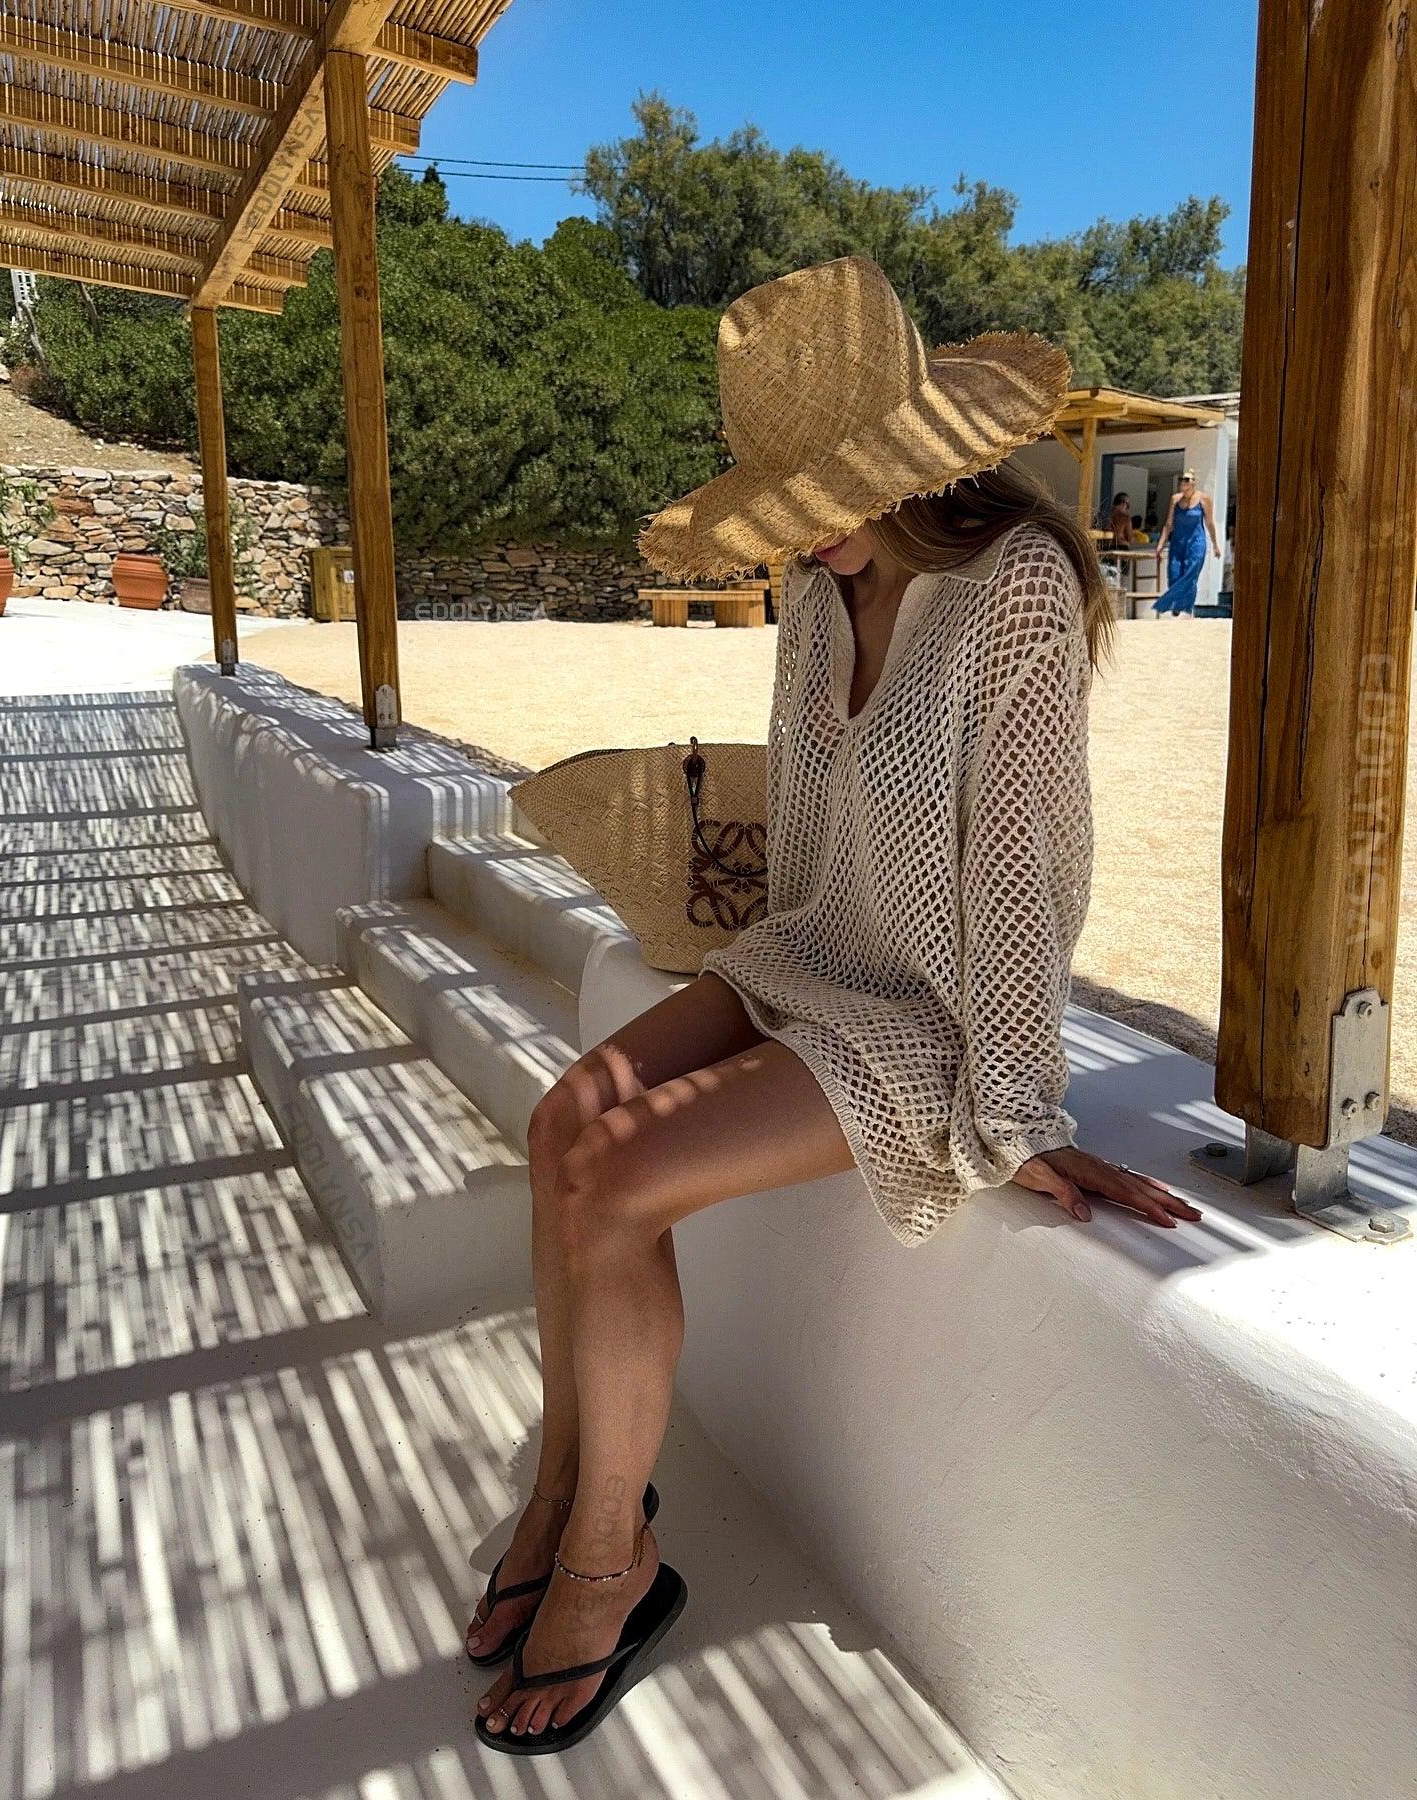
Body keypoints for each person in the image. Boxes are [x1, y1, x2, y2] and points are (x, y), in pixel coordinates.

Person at [467, 256, 1201, 1756]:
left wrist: (1015, 1115)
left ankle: (611, 1557)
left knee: (616, 1177)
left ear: (911, 460)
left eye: (826, 491)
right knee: (562, 1124)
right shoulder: (818, 587)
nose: (805, 526)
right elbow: (807, 828)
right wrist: (751, 991)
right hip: (811, 954)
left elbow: (1018, 866)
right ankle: (564, 1486)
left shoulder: (1016, 587)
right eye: (787, 497)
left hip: (927, 1014)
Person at [1153, 469, 1222, 615]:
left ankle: (1184, 607)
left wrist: (1215, 545)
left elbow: (1209, 523)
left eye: (1187, 479)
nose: (1183, 482)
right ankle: (1178, 603)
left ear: (1193, 483)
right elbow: (1168, 524)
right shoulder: (1175, 499)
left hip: (1196, 543)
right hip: (1177, 543)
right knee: (1174, 574)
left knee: (1190, 574)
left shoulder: (1204, 499)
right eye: (1182, 479)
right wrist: (1160, 544)